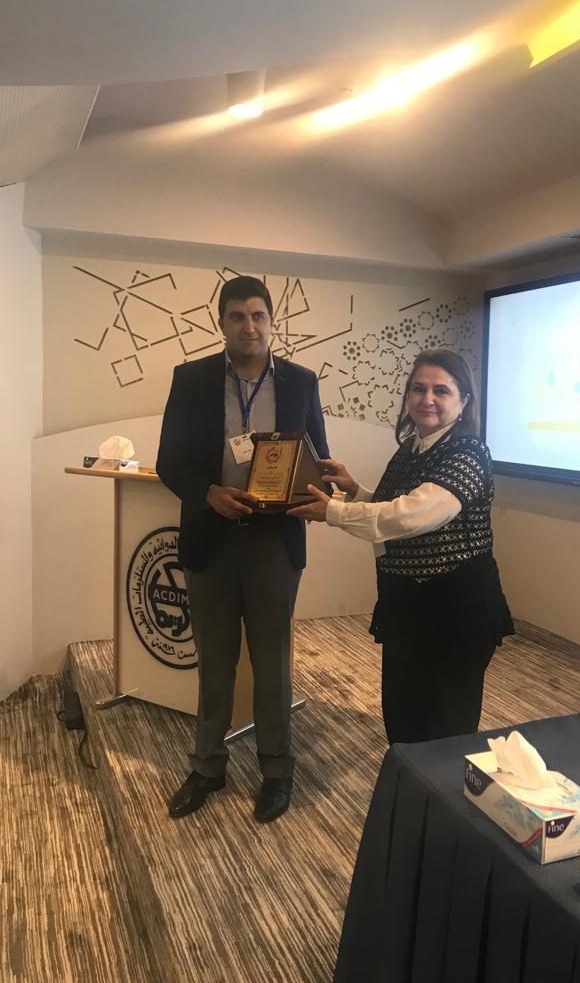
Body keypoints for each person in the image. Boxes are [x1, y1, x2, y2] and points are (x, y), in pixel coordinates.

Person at [157, 275, 328, 821]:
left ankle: (277, 769)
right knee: (215, 659)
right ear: (222, 323)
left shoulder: (301, 382)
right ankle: (208, 766)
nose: (248, 326)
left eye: (258, 316)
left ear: (272, 322)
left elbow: (317, 455)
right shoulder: (191, 379)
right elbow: (168, 461)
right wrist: (209, 493)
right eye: (237, 316)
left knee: (272, 660)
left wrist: (319, 487)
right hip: (212, 537)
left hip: (274, 542)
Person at [290, 349, 513, 744]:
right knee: (402, 714)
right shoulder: (411, 448)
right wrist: (353, 489)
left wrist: (334, 512)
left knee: (444, 727)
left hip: (455, 610)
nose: (428, 399)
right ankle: (406, 781)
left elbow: (413, 516)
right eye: (418, 389)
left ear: (464, 401)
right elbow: (392, 504)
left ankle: (435, 786)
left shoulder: (469, 453)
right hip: (407, 604)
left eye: (441, 391)